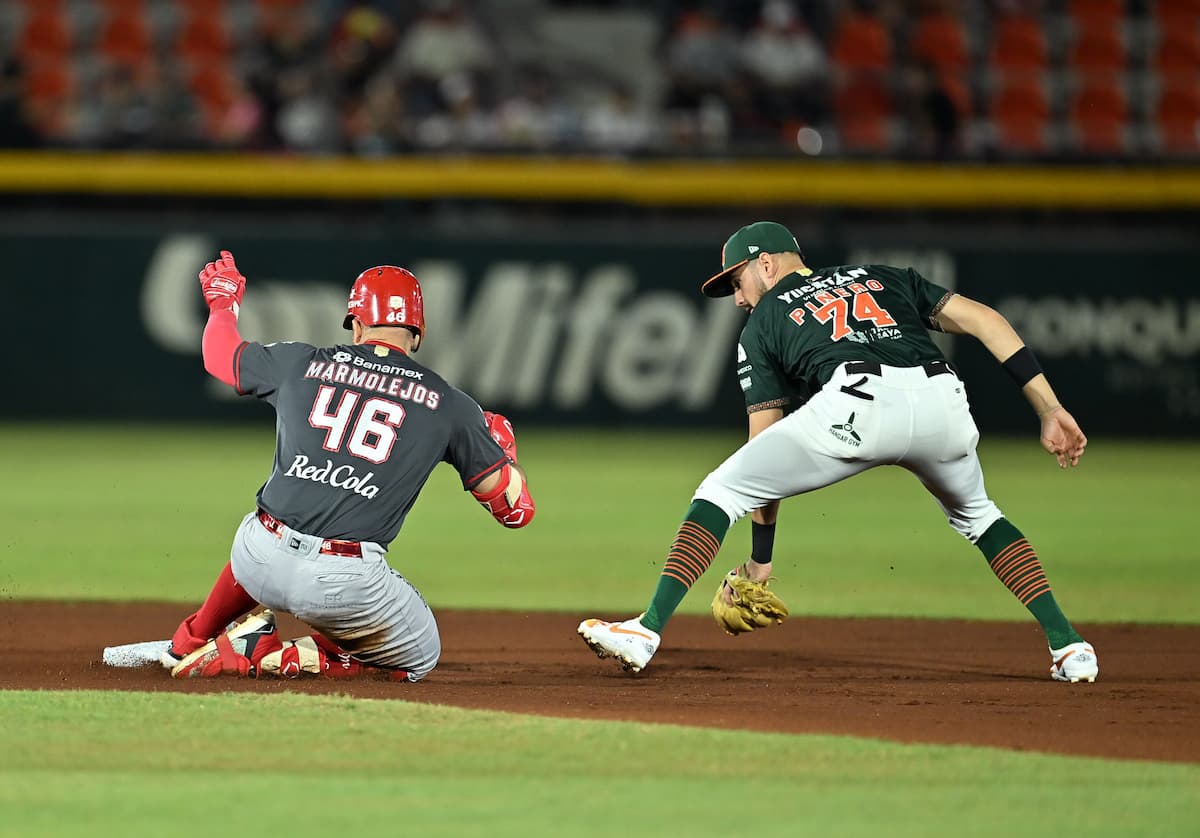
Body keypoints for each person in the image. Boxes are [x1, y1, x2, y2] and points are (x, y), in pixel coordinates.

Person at [578, 221, 1098, 684]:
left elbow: (763, 446)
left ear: (766, 264)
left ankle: (646, 631)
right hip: (944, 403)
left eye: (737, 281)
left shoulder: (763, 321)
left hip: (860, 406)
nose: (737, 298)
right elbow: (985, 320)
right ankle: (1069, 645)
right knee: (981, 516)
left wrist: (760, 562)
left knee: (721, 489)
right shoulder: (885, 276)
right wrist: (1049, 407)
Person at [163, 251, 535, 681]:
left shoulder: (301, 361)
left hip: (256, 555)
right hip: (341, 582)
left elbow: (219, 356)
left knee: (268, 528)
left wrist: (222, 305)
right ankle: (293, 655)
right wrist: (502, 455)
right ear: (418, 332)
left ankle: (192, 638)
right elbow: (515, 511)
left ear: (357, 324)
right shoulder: (449, 404)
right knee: (419, 656)